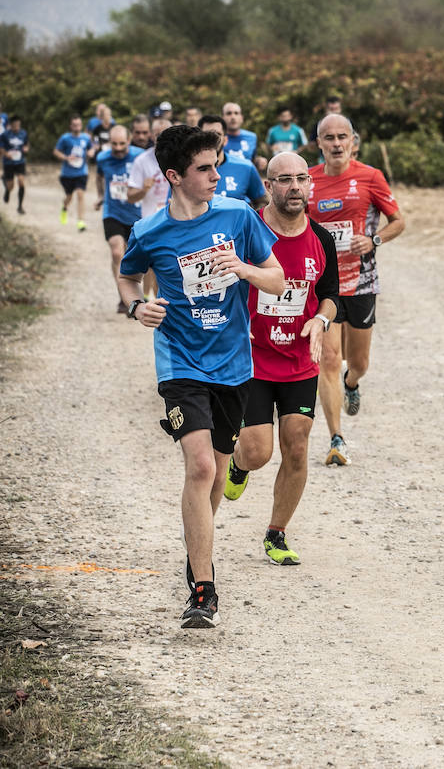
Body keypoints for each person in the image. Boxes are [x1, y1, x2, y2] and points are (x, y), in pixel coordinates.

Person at [117, 124, 284, 629]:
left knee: (215, 469)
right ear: (173, 176)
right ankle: (205, 591)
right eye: (205, 169)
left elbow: (276, 279)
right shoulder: (149, 233)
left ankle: (197, 557)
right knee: (200, 469)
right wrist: (136, 307)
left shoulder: (237, 216)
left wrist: (245, 268)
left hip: (233, 365)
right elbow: (128, 277)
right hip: (180, 362)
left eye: (217, 165)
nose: (217, 176)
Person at [223, 152, 339, 567]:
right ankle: (239, 465)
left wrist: (321, 321)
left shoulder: (321, 239)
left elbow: (330, 295)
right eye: (283, 180)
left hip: (299, 361)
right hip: (252, 357)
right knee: (257, 452)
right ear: (268, 186)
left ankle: (277, 533)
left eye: (301, 179)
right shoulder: (245, 228)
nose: (294, 187)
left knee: (297, 445)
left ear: (310, 184)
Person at [308, 114, 405, 467]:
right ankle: (336, 438)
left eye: (342, 137)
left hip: (361, 281)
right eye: (328, 137)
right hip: (322, 286)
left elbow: (399, 222)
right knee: (329, 359)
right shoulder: (308, 180)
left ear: (353, 141)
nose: (336, 143)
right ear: (318, 143)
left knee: (358, 362)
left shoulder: (370, 177)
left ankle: (353, 383)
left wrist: (373, 239)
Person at [94, 125, 145, 313]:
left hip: (136, 214)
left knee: (137, 257)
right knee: (117, 253)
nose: (118, 148)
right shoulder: (102, 158)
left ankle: (136, 293)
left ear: (129, 140)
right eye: (114, 144)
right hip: (112, 212)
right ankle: (125, 300)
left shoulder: (140, 156)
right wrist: (100, 195)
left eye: (122, 143)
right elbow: (99, 177)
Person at [127, 116, 174, 297]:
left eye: (166, 134)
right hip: (152, 221)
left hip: (177, 220)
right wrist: (144, 189)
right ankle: (152, 300)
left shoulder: (182, 160)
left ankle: (157, 301)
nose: (161, 138)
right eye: (158, 135)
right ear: (152, 137)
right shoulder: (142, 161)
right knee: (156, 265)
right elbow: (130, 197)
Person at [203, 114, 266, 209]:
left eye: (217, 134)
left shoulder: (246, 166)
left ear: (225, 140)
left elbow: (262, 202)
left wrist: (250, 221)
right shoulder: (189, 170)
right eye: (207, 134)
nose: (212, 139)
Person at [54, 115, 93, 230]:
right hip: (67, 174)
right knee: (69, 197)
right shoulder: (65, 138)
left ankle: (81, 221)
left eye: (79, 125)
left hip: (81, 172)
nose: (77, 127)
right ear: (71, 126)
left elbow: (91, 148)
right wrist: (66, 157)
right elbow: (56, 151)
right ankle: (64, 208)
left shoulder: (86, 138)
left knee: (80, 194)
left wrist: (91, 152)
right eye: (75, 125)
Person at [221, 102, 261, 172]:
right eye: (229, 113)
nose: (233, 117)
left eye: (236, 113)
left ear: (241, 118)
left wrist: (259, 162)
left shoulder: (252, 137)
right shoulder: (218, 138)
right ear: (222, 118)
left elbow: (253, 160)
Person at [2, 114, 30, 214]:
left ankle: (20, 206)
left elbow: (26, 144)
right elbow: (1, 148)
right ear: (11, 125)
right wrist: (6, 154)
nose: (16, 127)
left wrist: (26, 149)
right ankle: (7, 190)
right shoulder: (5, 135)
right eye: (14, 125)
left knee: (21, 182)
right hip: (8, 162)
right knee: (11, 186)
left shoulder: (23, 133)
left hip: (20, 161)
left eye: (18, 125)